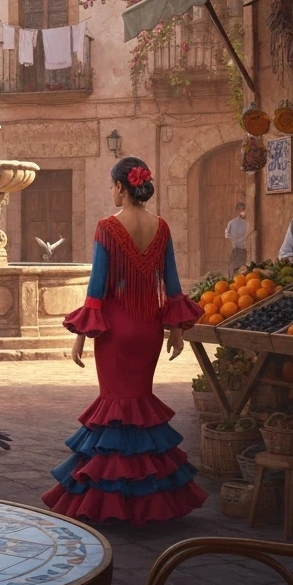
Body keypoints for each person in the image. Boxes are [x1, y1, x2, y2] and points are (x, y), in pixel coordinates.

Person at [43, 157, 207, 526]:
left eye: (112, 185)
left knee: (116, 411)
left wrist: (81, 338)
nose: (112, 191)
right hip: (148, 329)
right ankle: (149, 499)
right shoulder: (161, 227)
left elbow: (97, 286)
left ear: (121, 186)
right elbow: (173, 283)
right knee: (139, 409)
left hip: (116, 332)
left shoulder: (107, 227)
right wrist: (177, 331)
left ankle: (112, 500)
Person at [224, 202, 248, 275]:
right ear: (238, 211)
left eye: (243, 210)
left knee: (237, 271)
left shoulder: (232, 223)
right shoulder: (232, 223)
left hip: (239, 251)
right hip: (237, 251)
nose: (243, 212)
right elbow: (227, 236)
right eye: (241, 210)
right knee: (237, 271)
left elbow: (227, 235)